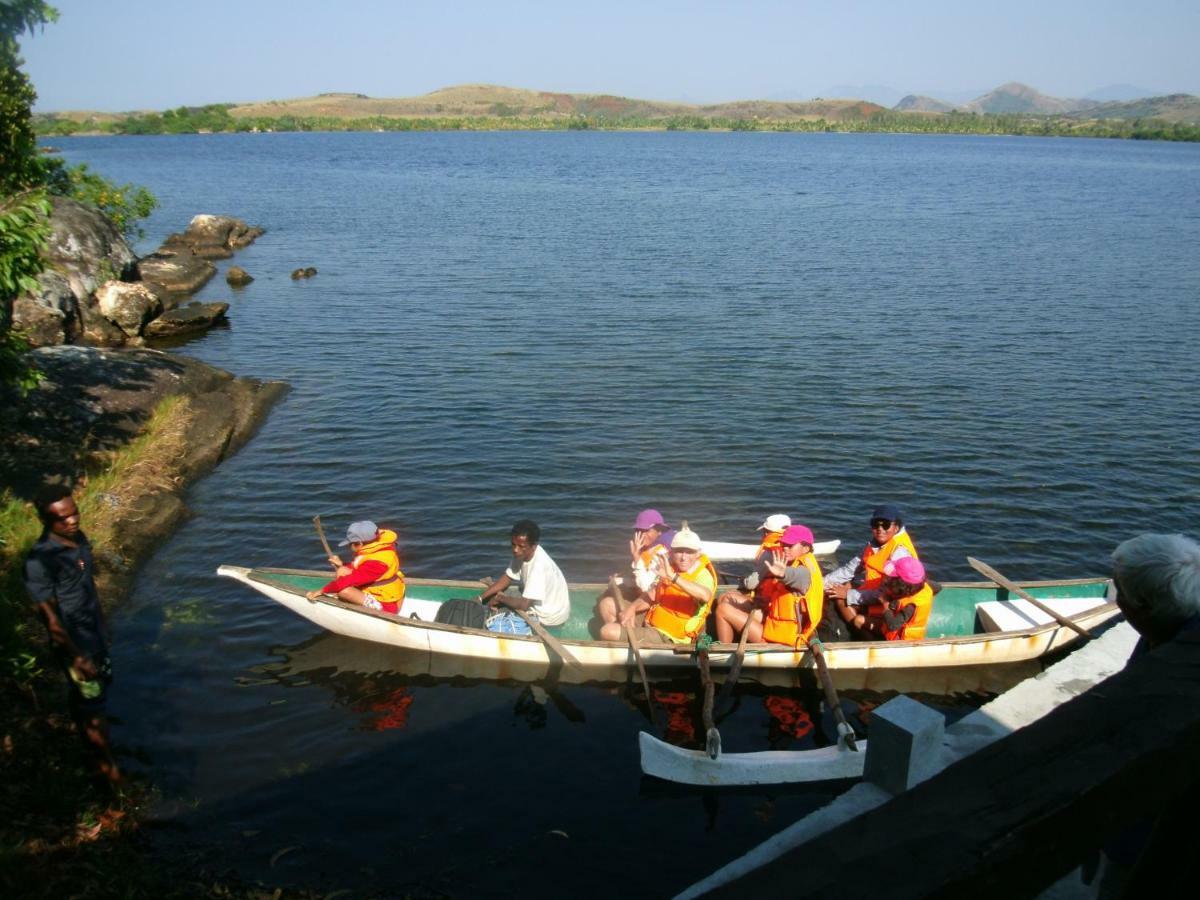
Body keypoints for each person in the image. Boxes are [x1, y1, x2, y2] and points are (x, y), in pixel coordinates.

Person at [22, 486, 121, 784]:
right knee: (93, 708)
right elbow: (49, 618)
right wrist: (77, 656)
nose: (72, 521)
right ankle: (109, 777)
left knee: (93, 697)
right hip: (76, 644)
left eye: (74, 512)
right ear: (44, 520)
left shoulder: (79, 541)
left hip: (94, 635)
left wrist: (103, 626)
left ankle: (90, 749)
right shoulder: (39, 562)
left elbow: (88, 586)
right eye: (63, 518)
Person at [600, 523, 717, 646]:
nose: (683, 557)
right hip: (653, 619)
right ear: (672, 552)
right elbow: (652, 594)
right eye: (679, 551)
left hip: (672, 636)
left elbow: (705, 595)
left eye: (689, 552)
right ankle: (630, 639)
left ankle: (626, 638)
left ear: (698, 553)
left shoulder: (703, 575)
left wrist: (673, 577)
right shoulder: (671, 566)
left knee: (608, 631)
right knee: (607, 604)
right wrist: (632, 608)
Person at [715, 524, 824, 648]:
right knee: (725, 597)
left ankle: (723, 650)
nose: (785, 549)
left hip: (784, 636)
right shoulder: (796, 561)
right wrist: (768, 601)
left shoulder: (803, 572)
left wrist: (782, 573)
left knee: (723, 609)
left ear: (805, 548)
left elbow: (792, 575)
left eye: (790, 545)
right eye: (784, 545)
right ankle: (732, 638)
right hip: (773, 621)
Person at [477, 519, 571, 635]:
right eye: (513, 544)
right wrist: (480, 598)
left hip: (549, 617)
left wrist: (500, 598)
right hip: (540, 604)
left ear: (534, 546)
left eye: (521, 546)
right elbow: (508, 577)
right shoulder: (522, 553)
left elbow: (524, 604)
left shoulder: (539, 566)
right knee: (503, 598)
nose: (515, 550)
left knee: (498, 622)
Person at [824, 503, 919, 609]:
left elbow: (888, 593)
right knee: (837, 586)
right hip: (872, 591)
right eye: (875, 524)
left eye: (886, 525)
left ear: (896, 528)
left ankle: (857, 625)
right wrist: (821, 584)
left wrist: (848, 595)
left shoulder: (900, 552)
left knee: (839, 599)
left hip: (888, 603)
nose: (880, 529)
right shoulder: (874, 544)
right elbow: (849, 570)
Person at [592, 508, 670, 636]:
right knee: (605, 604)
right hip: (641, 599)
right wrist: (619, 579)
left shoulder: (662, 555)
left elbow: (646, 588)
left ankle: (624, 635)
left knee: (608, 605)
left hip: (652, 606)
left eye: (646, 530)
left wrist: (636, 558)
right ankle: (622, 638)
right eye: (639, 531)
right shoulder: (645, 550)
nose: (641, 534)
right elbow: (636, 577)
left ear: (659, 531)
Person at [305, 520, 406, 614]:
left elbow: (348, 580)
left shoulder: (377, 562)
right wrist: (342, 565)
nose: (349, 546)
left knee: (344, 591)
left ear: (360, 544)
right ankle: (347, 601)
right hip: (382, 594)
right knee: (342, 570)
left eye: (350, 544)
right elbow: (362, 568)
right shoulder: (377, 548)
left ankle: (373, 610)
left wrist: (321, 591)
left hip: (388, 606)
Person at [832, 556, 934, 641]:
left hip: (900, 639)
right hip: (893, 619)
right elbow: (937, 588)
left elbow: (892, 626)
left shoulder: (911, 606)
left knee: (858, 620)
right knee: (861, 614)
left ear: (902, 584)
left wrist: (885, 605)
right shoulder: (922, 586)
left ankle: (873, 644)